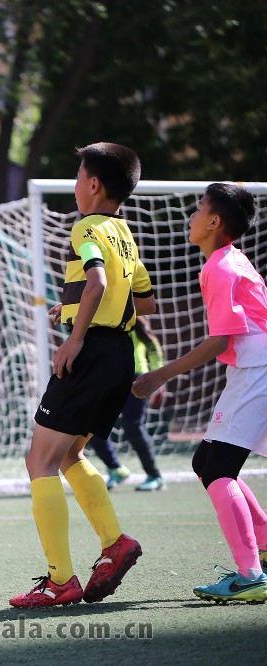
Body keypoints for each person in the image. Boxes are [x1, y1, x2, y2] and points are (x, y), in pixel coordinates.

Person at [9, 142, 156, 609]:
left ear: (93, 184)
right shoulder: (125, 234)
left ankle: (60, 581)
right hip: (119, 354)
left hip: (90, 352)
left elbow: (98, 282)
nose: (75, 185)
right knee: (70, 454)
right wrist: (71, 308)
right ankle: (115, 544)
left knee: (39, 461)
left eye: (77, 176)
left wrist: (75, 338)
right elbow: (144, 301)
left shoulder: (86, 226)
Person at [132, 182, 267, 604]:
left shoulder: (222, 268)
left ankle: (251, 577)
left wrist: (160, 374)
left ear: (214, 222)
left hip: (258, 371)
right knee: (206, 462)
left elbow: (219, 341)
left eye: (199, 209)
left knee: (218, 469)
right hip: (253, 371)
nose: (192, 216)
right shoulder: (229, 261)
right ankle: (263, 549)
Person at [88, 315, 166, 491]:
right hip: (107, 380)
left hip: (136, 378)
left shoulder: (133, 317)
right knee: (92, 428)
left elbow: (152, 346)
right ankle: (115, 469)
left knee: (133, 426)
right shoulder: (96, 317)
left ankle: (155, 476)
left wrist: (158, 377)